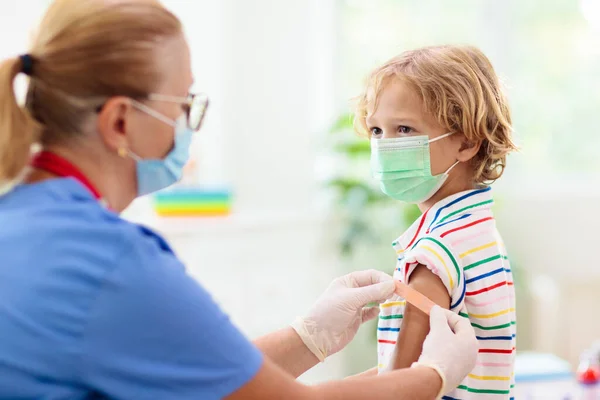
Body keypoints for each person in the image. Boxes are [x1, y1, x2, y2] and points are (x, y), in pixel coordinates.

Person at [0, 1, 478, 399]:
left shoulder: (22, 217)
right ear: (121, 121)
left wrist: (307, 338)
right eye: (184, 104)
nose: (190, 125)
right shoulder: (109, 262)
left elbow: (203, 378)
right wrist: (433, 375)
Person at [356, 45, 518, 398]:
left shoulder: (435, 250)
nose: (384, 145)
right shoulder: (477, 230)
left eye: (403, 128)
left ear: (467, 141)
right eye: (377, 131)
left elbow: (400, 383)